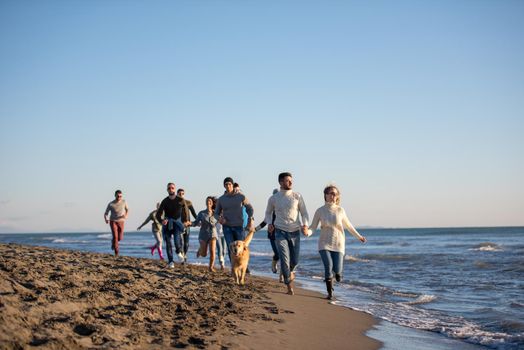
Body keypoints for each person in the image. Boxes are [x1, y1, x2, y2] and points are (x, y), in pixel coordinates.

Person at [308, 185, 367, 300]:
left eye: (335, 194)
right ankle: (330, 293)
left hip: (338, 244)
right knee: (328, 266)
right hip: (324, 243)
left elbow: (349, 226)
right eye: (330, 193)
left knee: (338, 271)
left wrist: (359, 237)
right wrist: (307, 232)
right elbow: (313, 227)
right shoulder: (320, 211)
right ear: (325, 195)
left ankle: (338, 274)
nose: (333, 195)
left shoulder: (340, 210)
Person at [265, 172, 309, 295]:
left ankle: (291, 272)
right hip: (280, 232)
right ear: (280, 182)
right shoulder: (274, 198)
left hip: (295, 232)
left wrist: (305, 224)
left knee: (294, 261)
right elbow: (268, 213)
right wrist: (269, 223)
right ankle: (289, 286)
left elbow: (304, 213)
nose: (290, 182)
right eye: (287, 180)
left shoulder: (297, 196)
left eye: (291, 180)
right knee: (284, 259)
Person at [214, 177, 254, 263]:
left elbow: (250, 209)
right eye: (226, 184)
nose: (228, 186)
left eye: (229, 184)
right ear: (224, 186)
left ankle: (243, 265)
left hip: (239, 226)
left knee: (242, 247)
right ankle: (234, 266)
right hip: (227, 227)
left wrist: (250, 220)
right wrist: (220, 219)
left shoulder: (241, 197)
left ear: (232, 185)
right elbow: (216, 214)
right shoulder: (221, 199)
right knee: (230, 248)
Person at [156, 183, 191, 268]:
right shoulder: (165, 201)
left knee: (176, 241)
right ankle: (171, 261)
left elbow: (186, 211)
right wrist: (162, 220)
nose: (171, 189)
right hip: (167, 223)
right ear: (167, 190)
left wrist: (186, 221)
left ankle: (179, 252)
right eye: (169, 188)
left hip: (177, 223)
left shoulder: (180, 200)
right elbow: (158, 214)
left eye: (172, 188)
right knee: (168, 243)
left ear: (174, 189)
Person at [255, 189, 279, 274]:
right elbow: (264, 222)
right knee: (277, 253)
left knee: (284, 254)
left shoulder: (283, 210)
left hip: (282, 234)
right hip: (272, 235)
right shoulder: (270, 211)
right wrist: (255, 229)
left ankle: (283, 274)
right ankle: (274, 263)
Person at [193, 196, 219, 271]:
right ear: (205, 203)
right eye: (207, 201)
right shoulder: (201, 213)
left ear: (212, 203)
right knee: (204, 254)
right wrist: (189, 223)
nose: (208, 202)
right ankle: (200, 250)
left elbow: (221, 220)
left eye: (210, 201)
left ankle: (211, 267)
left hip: (213, 234)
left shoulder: (216, 213)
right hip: (203, 234)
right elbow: (195, 222)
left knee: (212, 251)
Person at [104, 190, 129, 256]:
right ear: (115, 196)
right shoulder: (111, 204)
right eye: (118, 196)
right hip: (113, 221)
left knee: (120, 238)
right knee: (115, 237)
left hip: (121, 221)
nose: (119, 197)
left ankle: (113, 242)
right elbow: (106, 213)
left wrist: (126, 215)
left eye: (120, 196)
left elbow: (127, 209)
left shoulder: (124, 202)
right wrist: (106, 219)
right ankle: (116, 253)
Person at [177, 188, 198, 262]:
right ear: (177, 194)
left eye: (182, 193)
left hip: (187, 225)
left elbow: (193, 212)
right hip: (179, 225)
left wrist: (198, 220)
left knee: (186, 243)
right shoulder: (175, 203)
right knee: (180, 242)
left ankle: (184, 254)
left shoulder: (188, 202)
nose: (181, 195)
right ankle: (181, 254)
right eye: (179, 193)